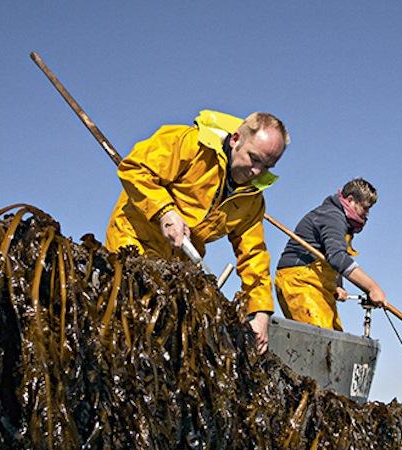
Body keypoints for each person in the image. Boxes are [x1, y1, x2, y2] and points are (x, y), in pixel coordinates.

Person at [105, 110, 289, 353]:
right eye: (254, 159)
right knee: (127, 325)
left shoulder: (252, 200)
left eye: (267, 166)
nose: (257, 172)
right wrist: (165, 211)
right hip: (134, 239)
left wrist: (261, 312)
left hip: (181, 264)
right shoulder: (189, 143)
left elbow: (253, 254)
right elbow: (134, 168)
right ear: (236, 140)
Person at [274, 178, 387, 331]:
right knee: (320, 339)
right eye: (365, 208)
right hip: (299, 281)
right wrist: (372, 288)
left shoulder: (342, 222)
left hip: (318, 284)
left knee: (335, 336)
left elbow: (330, 256)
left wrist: (337, 286)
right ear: (351, 200)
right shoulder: (332, 216)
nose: (367, 214)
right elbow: (337, 258)